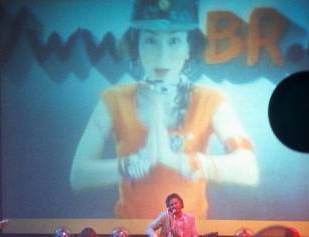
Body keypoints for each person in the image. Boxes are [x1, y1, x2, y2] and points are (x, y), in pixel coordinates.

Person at [70, 0, 258, 219]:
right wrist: (130, 166)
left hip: (190, 236)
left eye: (175, 40)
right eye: (150, 40)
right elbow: (78, 175)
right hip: (130, 236)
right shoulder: (114, 99)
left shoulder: (210, 100)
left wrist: (181, 162)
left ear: (190, 47)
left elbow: (249, 169)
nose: (162, 55)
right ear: (136, 46)